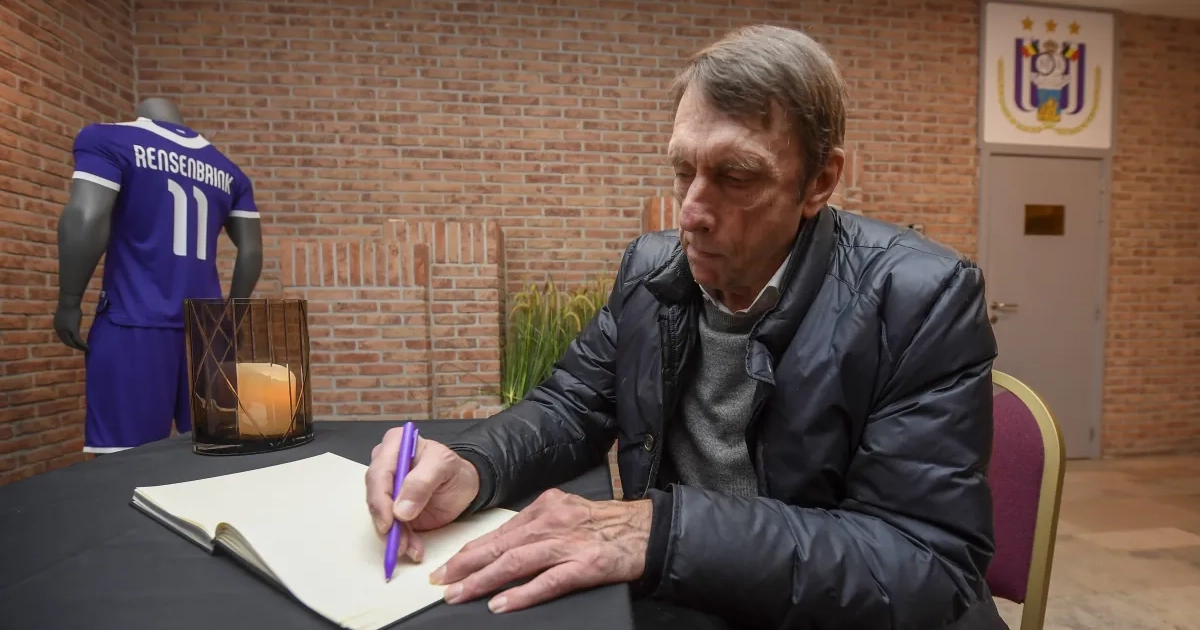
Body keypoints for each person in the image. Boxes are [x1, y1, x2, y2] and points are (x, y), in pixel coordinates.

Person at [365, 25, 1005, 630]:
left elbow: (923, 559)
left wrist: (659, 530)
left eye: (737, 176)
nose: (691, 212)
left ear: (820, 182)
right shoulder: (652, 270)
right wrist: (474, 466)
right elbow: (572, 406)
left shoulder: (919, 297)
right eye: (682, 170)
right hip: (693, 591)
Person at [54, 97, 263, 453]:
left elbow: (87, 216)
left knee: (125, 460)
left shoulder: (108, 140)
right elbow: (252, 250)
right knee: (213, 452)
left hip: (134, 321)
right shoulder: (229, 172)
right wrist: (234, 316)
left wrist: (69, 300)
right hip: (206, 333)